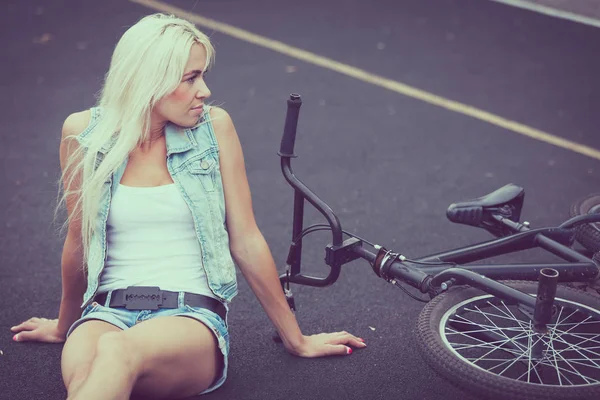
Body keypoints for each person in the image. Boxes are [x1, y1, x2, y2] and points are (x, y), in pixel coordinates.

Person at [9, 13, 366, 400]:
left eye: (202, 75)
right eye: (190, 78)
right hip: (104, 313)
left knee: (114, 353)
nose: (205, 91)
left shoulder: (215, 129)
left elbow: (245, 239)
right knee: (90, 371)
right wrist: (64, 327)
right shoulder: (83, 133)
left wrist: (296, 339)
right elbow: (78, 241)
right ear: (150, 80)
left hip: (189, 318)